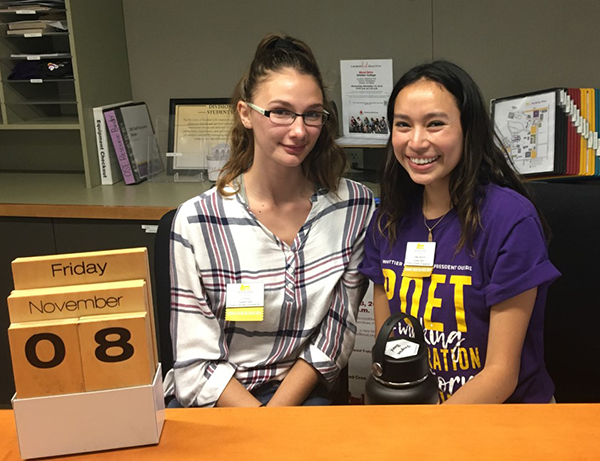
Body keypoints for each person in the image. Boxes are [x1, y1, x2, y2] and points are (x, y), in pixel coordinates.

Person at [165, 33, 375, 407]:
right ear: (246, 114)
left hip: (297, 396)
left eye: (312, 114)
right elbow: (194, 361)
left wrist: (275, 416)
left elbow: (336, 332)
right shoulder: (197, 222)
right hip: (217, 400)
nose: (299, 130)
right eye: (280, 112)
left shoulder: (353, 207)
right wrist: (258, 424)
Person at [359, 60, 560, 404]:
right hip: (420, 416)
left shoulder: (509, 220)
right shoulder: (387, 221)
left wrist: (428, 437)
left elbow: (501, 375)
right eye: (403, 125)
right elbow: (391, 352)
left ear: (469, 129)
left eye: (435, 124)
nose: (416, 141)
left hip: (504, 417)